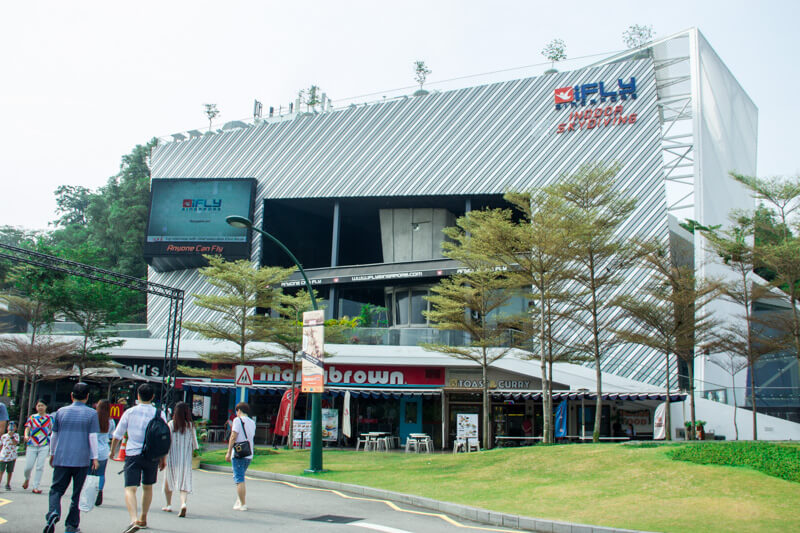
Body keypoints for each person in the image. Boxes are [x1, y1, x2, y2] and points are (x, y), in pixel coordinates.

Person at [110, 384, 167, 533]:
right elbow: (164, 437)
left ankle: (133, 519)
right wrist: (163, 458)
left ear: (138, 396)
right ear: (153, 397)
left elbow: (118, 434)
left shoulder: (130, 412)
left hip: (132, 454)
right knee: (148, 487)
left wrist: (112, 452)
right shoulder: (159, 413)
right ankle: (143, 518)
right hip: (152, 455)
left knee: (130, 488)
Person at [44, 382, 100, 533]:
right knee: (77, 493)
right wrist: (94, 457)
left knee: (56, 489)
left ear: (71, 395)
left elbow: (54, 435)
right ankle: (71, 526)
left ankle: (53, 512)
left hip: (62, 457)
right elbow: (93, 437)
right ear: (87, 397)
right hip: (81, 459)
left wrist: (52, 453)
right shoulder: (91, 414)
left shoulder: (61, 412)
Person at [162, 401, 198, 517]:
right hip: (185, 459)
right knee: (184, 483)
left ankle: (168, 504)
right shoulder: (191, 426)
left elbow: (166, 443)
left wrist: (163, 458)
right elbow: (194, 445)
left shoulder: (171, 424)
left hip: (172, 457)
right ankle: (183, 504)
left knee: (168, 480)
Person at [225, 402, 255, 511]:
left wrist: (228, 452)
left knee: (239, 479)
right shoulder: (252, 422)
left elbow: (233, 436)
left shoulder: (237, 421)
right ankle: (239, 500)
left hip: (238, 453)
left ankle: (242, 503)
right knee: (241, 477)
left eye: (237, 411)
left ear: (239, 411)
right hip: (249, 454)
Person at [23, 399, 52, 494]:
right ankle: (27, 478)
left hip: (44, 445)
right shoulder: (32, 418)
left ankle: (36, 486)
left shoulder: (49, 418)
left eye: (42, 406)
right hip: (32, 444)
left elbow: (52, 430)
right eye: (38, 406)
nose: (40, 407)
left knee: (40, 466)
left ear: (46, 407)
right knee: (28, 467)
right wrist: (26, 436)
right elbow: (27, 428)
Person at [94, 399, 116, 507]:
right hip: (103, 450)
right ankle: (99, 491)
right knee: (101, 473)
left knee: (89, 472)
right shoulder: (110, 421)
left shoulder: (93, 418)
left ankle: (88, 491)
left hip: (92, 449)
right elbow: (112, 436)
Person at [0, 422, 20, 490]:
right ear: (7, 427)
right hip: (3, 456)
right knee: (1, 470)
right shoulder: (4, 436)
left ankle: (8, 483)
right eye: (10, 426)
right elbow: (1, 445)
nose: (12, 428)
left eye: (14, 426)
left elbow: (15, 443)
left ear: (16, 428)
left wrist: (12, 437)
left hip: (12, 456)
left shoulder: (16, 435)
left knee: (10, 471)